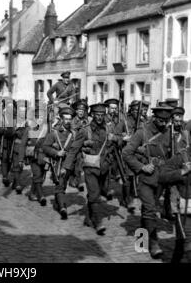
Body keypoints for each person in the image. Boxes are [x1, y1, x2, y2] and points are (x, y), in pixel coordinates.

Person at [123, 106, 173, 259]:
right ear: (154, 118)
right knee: (151, 209)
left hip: (161, 179)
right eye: (161, 120)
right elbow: (126, 153)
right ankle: (154, 243)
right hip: (145, 179)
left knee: (147, 211)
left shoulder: (170, 134)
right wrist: (141, 167)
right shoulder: (142, 132)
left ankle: (141, 241)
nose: (164, 124)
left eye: (166, 121)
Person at [67, 103, 114, 235]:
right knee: (95, 195)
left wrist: (115, 138)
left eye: (102, 114)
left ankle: (88, 217)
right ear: (92, 115)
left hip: (104, 167)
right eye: (97, 115)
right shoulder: (85, 130)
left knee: (98, 193)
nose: (100, 117)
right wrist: (67, 168)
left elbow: (119, 142)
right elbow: (74, 149)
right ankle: (98, 222)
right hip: (90, 167)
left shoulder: (109, 128)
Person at [158, 139, 191, 263]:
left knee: (181, 243)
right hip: (184, 209)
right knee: (188, 243)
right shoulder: (182, 156)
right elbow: (162, 176)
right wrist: (182, 172)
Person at [43, 106, 77, 219]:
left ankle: (58, 203)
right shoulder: (54, 133)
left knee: (63, 185)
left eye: (70, 119)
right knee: (60, 185)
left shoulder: (74, 134)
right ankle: (63, 208)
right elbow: (45, 147)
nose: (68, 121)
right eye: (66, 119)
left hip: (69, 164)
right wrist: (56, 153)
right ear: (61, 119)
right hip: (57, 164)